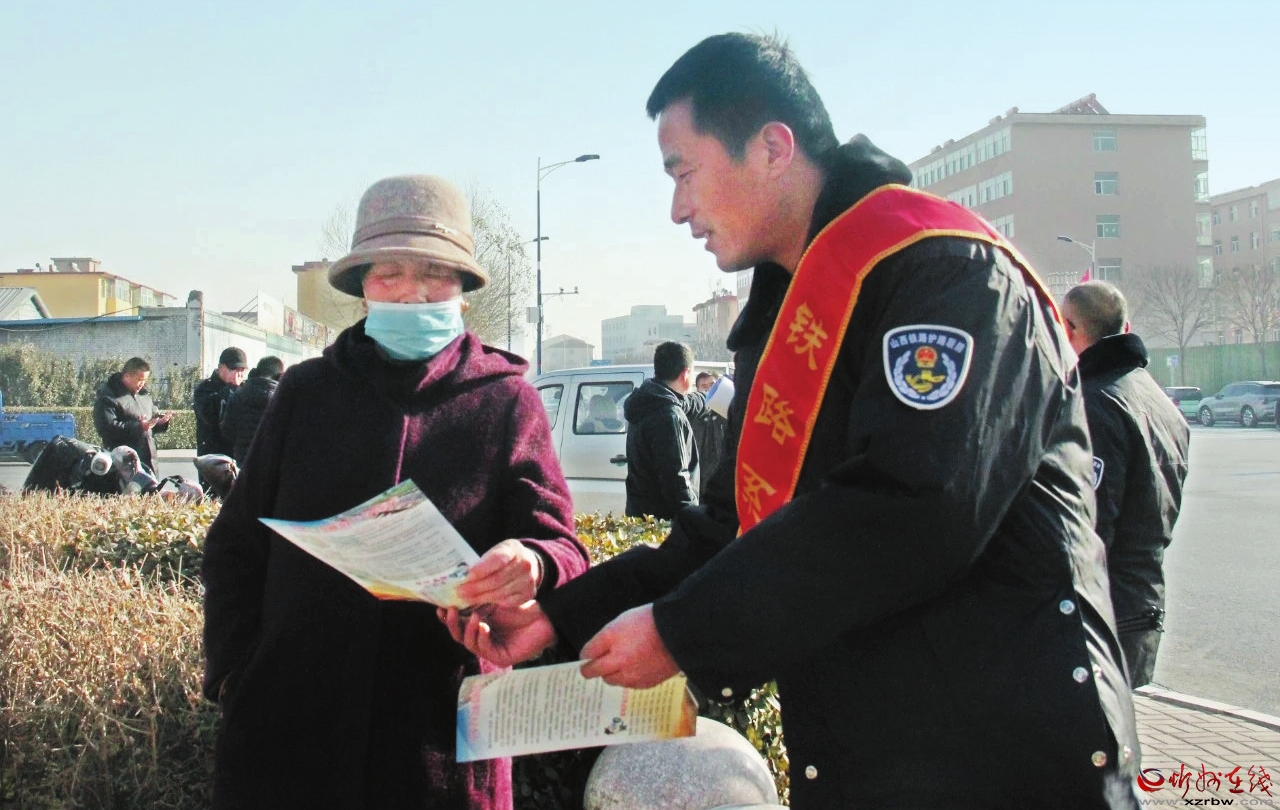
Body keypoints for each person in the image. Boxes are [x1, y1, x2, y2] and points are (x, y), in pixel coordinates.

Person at [446, 33, 1142, 810]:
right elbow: (732, 530)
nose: (677, 209)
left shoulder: (946, 273)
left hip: (1005, 758)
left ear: (773, 148)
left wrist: (682, 632)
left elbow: (916, 506)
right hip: (875, 758)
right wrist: (557, 614)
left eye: (683, 172)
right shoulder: (786, 312)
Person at [201, 174, 589, 810]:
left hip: (440, 746)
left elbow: (562, 544)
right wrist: (235, 678)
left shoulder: (505, 400)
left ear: (463, 289)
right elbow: (236, 547)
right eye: (389, 273)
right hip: (288, 736)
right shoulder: (305, 393)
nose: (412, 292)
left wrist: (534, 561)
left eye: (434, 273)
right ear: (362, 288)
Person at [1063, 280, 1190, 688]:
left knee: (1087, 724)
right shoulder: (1158, 401)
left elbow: (1091, 524)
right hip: (1143, 596)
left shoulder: (1095, 402)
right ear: (1126, 326)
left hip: (1098, 609)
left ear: (1069, 329)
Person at [623, 341, 702, 520]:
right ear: (685, 374)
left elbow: (686, 403)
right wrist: (692, 521)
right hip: (664, 521)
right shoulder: (668, 415)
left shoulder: (647, 400)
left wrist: (707, 397)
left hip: (641, 516)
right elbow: (676, 479)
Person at [92, 356, 170, 476]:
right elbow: (107, 428)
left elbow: (149, 424)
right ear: (127, 376)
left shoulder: (144, 396)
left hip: (149, 461)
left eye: (145, 380)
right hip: (123, 463)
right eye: (139, 379)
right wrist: (139, 427)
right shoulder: (108, 397)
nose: (142, 384)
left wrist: (159, 422)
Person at [220, 355, 285, 465]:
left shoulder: (239, 395)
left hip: (243, 459)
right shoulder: (282, 399)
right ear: (280, 376)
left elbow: (228, 430)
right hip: (272, 461)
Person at [193, 346, 248, 459]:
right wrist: (231, 388)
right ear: (221, 367)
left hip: (238, 453)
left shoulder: (245, 389)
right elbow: (210, 417)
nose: (238, 374)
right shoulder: (205, 388)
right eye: (234, 369)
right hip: (213, 454)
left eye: (242, 370)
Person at [690, 371, 727, 497]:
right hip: (701, 481)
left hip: (724, 479)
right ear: (697, 390)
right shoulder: (694, 416)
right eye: (704, 386)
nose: (709, 390)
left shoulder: (727, 412)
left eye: (712, 385)